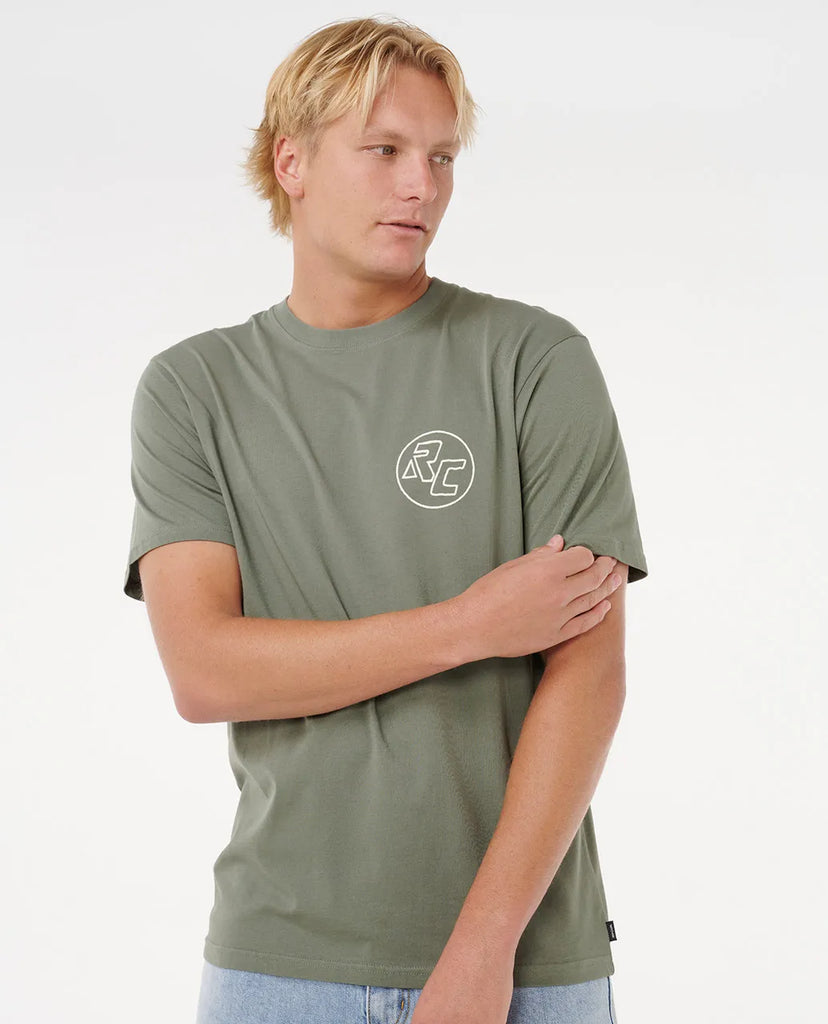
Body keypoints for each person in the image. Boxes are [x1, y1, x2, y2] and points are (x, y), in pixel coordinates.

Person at [122, 15, 647, 1024]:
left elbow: (590, 673)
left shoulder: (533, 361)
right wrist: (470, 626)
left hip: (529, 961)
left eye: (441, 157)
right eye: (385, 151)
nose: (422, 187)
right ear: (292, 162)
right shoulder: (194, 391)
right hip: (281, 959)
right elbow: (205, 670)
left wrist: (482, 951)